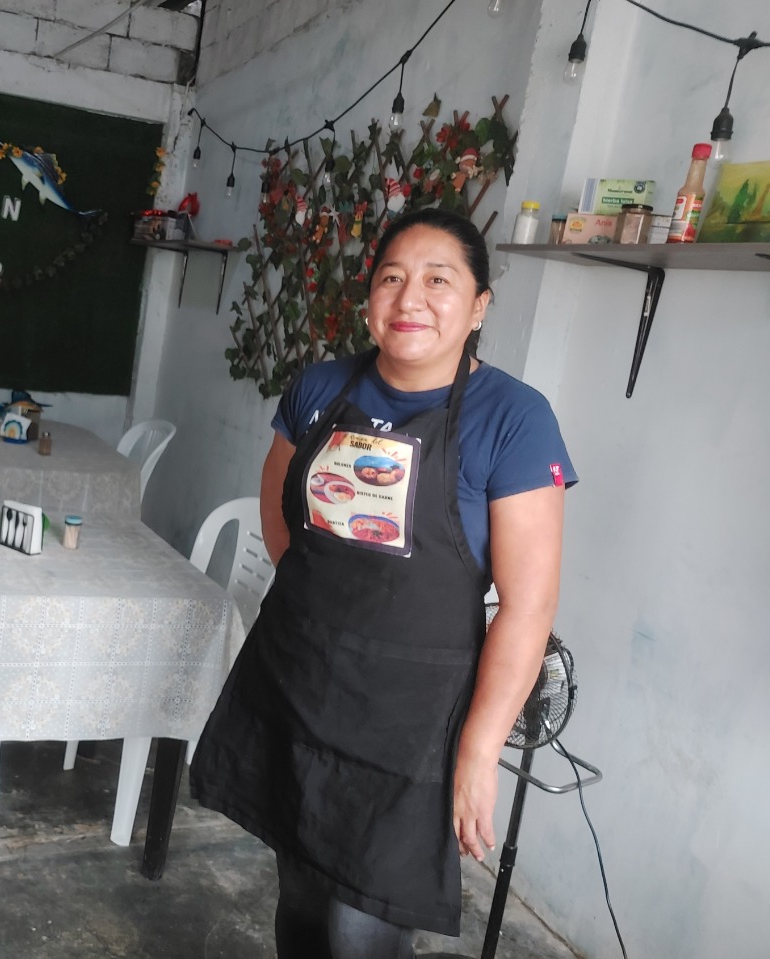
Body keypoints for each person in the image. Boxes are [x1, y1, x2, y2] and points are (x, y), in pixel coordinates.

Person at [190, 207, 577, 958]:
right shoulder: (320, 386)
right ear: (369, 299)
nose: (411, 299)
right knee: (302, 901)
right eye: (392, 278)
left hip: (408, 724)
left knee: (361, 927)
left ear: (479, 305)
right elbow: (281, 516)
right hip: (301, 685)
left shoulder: (515, 419)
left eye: (439, 280)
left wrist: (477, 752)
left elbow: (528, 607)